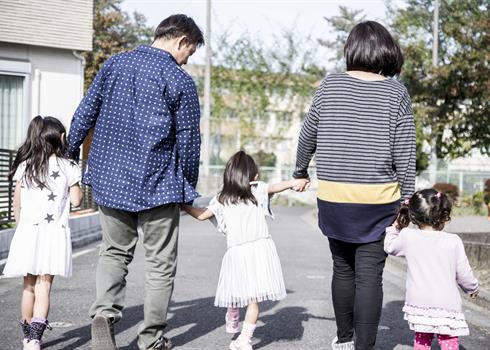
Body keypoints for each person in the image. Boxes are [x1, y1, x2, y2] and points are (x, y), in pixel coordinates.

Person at [67, 14, 204, 350]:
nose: (188, 60)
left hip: (110, 179)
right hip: (158, 184)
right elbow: (189, 140)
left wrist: (70, 153)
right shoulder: (180, 81)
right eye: (190, 52)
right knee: (160, 265)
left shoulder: (115, 65)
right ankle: (151, 338)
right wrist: (187, 185)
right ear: (181, 41)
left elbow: (85, 111)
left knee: (113, 253)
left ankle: (104, 315)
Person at [293, 21, 416, 350]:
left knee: (342, 267)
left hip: (334, 195)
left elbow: (308, 134)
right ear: (386, 51)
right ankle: (364, 346)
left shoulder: (330, 85)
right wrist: (407, 196)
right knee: (369, 274)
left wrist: (299, 171)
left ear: (352, 49)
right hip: (378, 199)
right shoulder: (396, 92)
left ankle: (345, 339)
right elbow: (405, 150)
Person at [182, 151, 309, 350]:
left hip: (238, 252)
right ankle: (245, 339)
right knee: (252, 299)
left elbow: (201, 215)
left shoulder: (222, 198)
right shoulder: (258, 190)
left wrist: (180, 204)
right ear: (254, 175)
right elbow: (279, 186)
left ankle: (237, 325)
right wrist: (296, 182)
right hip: (261, 250)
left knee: (237, 288)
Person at [2, 116, 83, 350]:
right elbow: (77, 201)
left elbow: (17, 204)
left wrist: (22, 227)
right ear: (62, 138)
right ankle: (36, 339)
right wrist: (72, 186)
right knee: (44, 286)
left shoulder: (25, 165)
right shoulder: (68, 167)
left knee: (27, 286)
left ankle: (27, 337)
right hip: (53, 235)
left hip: (28, 233)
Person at [384, 189, 479, 349]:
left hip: (419, 302)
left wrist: (395, 227)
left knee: (422, 340)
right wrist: (472, 288)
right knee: (448, 340)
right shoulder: (453, 241)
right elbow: (463, 273)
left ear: (413, 216)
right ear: (444, 215)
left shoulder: (408, 236)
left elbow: (390, 247)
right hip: (447, 303)